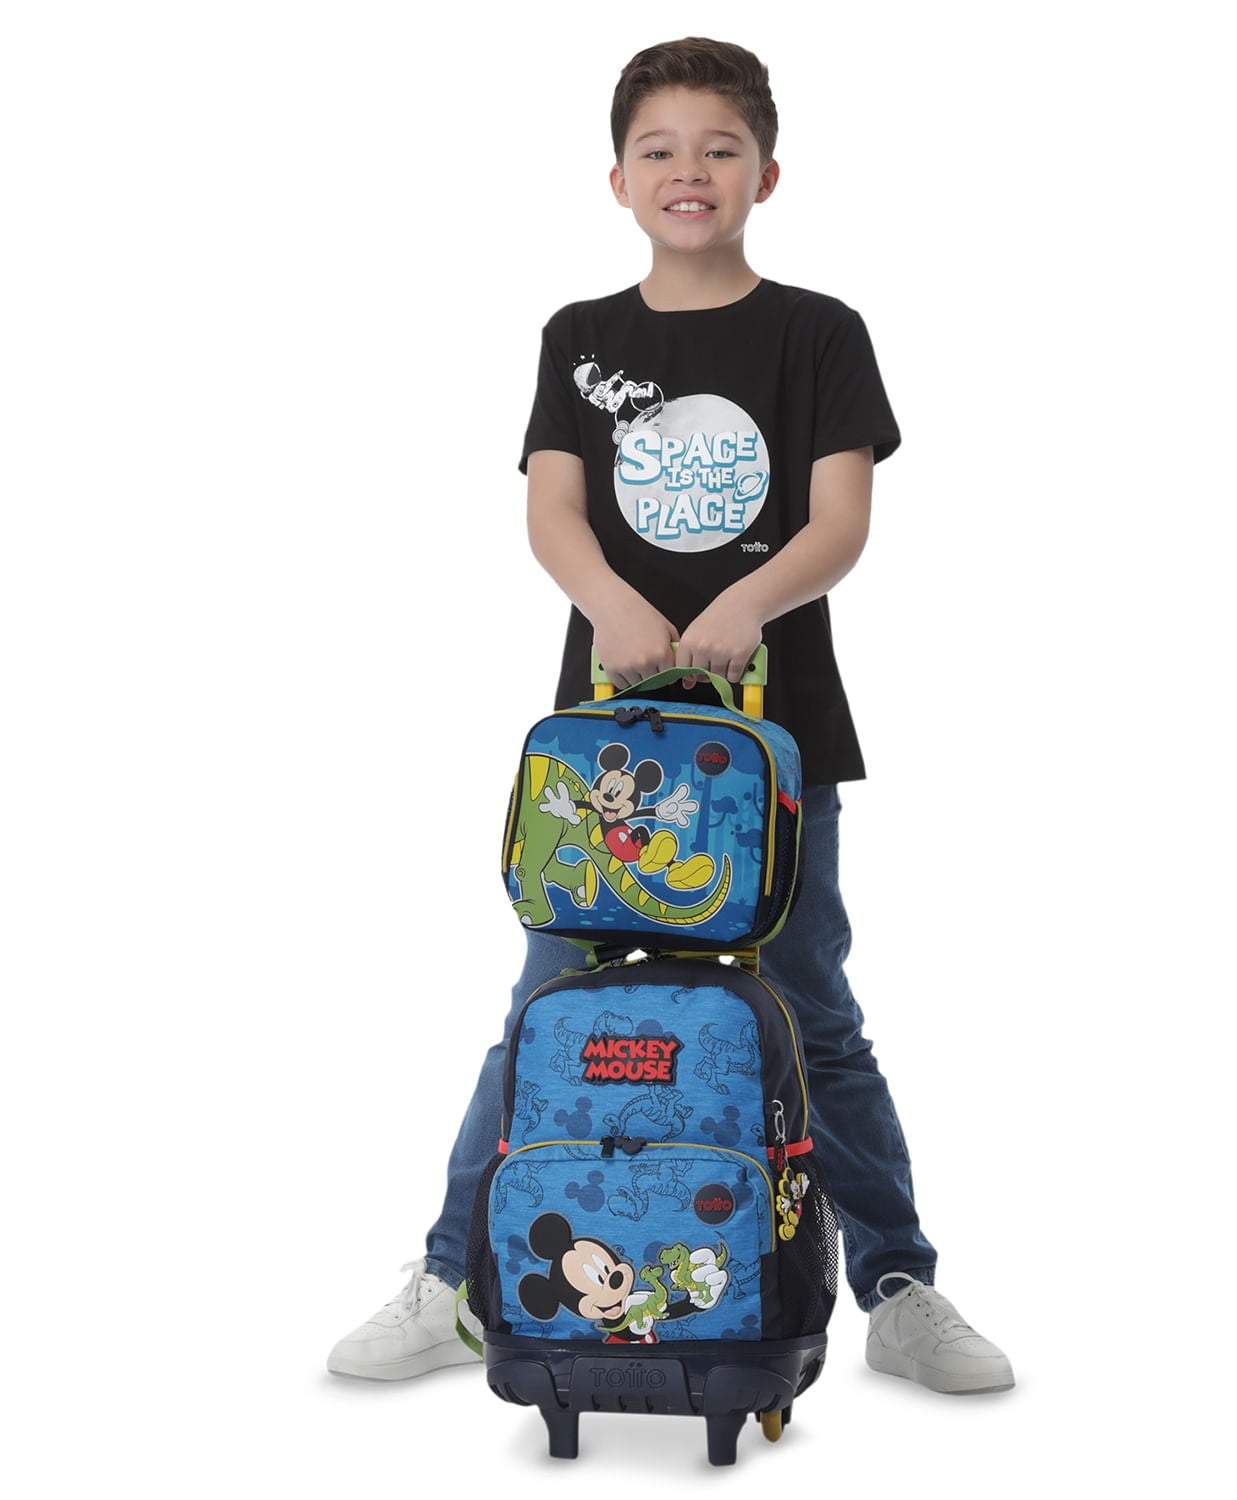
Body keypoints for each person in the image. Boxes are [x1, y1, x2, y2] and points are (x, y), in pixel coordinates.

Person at [328, 36, 1014, 1397]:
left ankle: (899, 1286)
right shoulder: (582, 338)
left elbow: (839, 522)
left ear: (768, 172)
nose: (688, 171)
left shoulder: (818, 332)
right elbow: (553, 511)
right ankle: (456, 1279)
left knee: (810, 1010)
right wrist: (612, 606)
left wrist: (746, 603)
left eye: (718, 148)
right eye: (659, 149)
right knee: (546, 1007)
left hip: (772, 744)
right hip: (608, 753)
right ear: (617, 178)